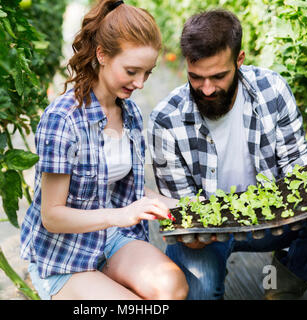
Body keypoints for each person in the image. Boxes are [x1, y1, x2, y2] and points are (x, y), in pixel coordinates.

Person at [147, 9, 307, 300]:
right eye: (196, 77)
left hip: (274, 219)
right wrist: (192, 234)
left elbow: (296, 164)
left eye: (218, 76)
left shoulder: (272, 90)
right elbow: (183, 207)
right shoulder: (165, 120)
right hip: (207, 234)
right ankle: (212, 270)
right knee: (201, 290)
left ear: (239, 61)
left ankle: (280, 285)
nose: (206, 88)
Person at [20, 0, 188, 300]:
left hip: (109, 238)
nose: (140, 83)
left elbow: (128, 190)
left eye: (147, 73)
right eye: (132, 71)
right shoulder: (63, 118)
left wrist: (176, 205)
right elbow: (52, 216)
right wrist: (120, 215)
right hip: (62, 254)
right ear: (102, 55)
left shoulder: (131, 113)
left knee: (173, 287)